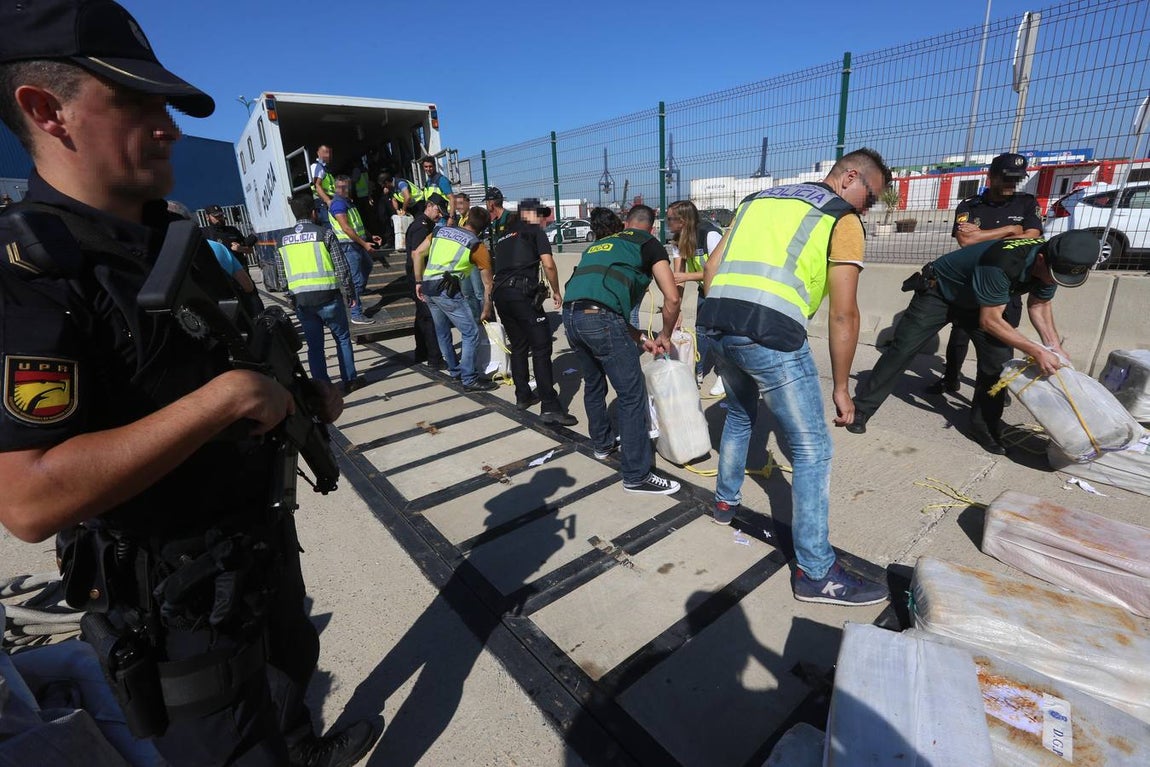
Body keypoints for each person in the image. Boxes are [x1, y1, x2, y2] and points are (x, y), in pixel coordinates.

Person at [0, 2, 377, 766]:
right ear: (47, 111)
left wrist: (302, 401)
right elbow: (29, 499)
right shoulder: (34, 276)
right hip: (178, 611)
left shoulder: (172, 240)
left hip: (256, 552)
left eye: (165, 103)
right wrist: (226, 400)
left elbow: (232, 355)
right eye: (136, 103)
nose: (167, 124)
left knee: (290, 684)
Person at [701, 148, 893, 606]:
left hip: (717, 322)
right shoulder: (840, 217)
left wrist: (727, 320)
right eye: (870, 198)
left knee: (741, 414)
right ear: (850, 178)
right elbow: (844, 314)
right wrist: (842, 388)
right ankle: (815, 571)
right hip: (769, 332)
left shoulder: (757, 201)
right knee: (813, 450)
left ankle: (725, 504)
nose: (867, 209)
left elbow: (712, 269)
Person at [846, 230, 1098, 454]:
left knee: (998, 365)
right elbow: (990, 321)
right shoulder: (1002, 262)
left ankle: (983, 427)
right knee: (902, 349)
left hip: (980, 302)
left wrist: (1054, 347)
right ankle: (861, 408)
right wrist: (1036, 351)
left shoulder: (1054, 267)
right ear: (1042, 259)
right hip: (940, 293)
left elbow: (1040, 304)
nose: (1054, 281)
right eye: (1054, 275)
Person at [563, 206, 682, 494]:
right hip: (600, 318)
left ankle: (602, 445)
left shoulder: (598, 246)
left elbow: (603, 306)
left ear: (626, 223)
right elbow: (672, 298)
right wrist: (665, 335)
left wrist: (643, 339)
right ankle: (636, 475)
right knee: (631, 395)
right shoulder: (647, 243)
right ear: (651, 228)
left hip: (571, 315)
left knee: (593, 383)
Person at [929, 152, 1042, 394]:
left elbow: (1033, 237)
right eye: (1006, 178)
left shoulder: (1026, 203)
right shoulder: (970, 205)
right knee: (959, 336)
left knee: (1003, 339)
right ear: (991, 176)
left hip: (1006, 282)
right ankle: (950, 378)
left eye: (1016, 179)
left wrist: (982, 235)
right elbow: (965, 241)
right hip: (970, 283)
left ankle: (999, 388)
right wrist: (1011, 229)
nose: (1012, 184)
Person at [491, 197, 576, 425]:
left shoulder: (503, 237)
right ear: (529, 214)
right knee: (540, 347)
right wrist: (557, 291)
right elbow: (548, 264)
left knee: (519, 345)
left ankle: (523, 395)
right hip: (521, 294)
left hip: (501, 294)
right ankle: (550, 406)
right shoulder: (534, 232)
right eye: (541, 214)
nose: (544, 218)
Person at [277, 194, 365, 395]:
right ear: (314, 212)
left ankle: (322, 387)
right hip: (329, 299)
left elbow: (282, 276)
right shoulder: (324, 233)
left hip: (303, 302)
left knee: (315, 347)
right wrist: (350, 293)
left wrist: (291, 298)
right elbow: (342, 268)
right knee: (342, 338)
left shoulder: (282, 240)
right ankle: (350, 380)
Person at [412, 206, 498, 392]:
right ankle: (469, 378)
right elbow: (488, 284)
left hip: (428, 286)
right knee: (471, 332)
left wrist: (418, 281)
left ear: (466, 219)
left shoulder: (440, 230)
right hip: (446, 290)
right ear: (483, 228)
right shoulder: (476, 245)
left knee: (442, 331)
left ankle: (454, 370)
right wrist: (487, 308)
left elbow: (417, 253)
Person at [668, 200, 724, 394]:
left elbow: (720, 270)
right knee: (700, 330)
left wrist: (687, 276)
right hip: (705, 289)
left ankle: (724, 374)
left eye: (670, 219)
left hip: (723, 289)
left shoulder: (710, 234)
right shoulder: (677, 240)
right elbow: (678, 278)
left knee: (719, 332)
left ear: (682, 220)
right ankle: (697, 374)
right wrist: (676, 309)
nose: (667, 223)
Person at [330, 175, 382, 325]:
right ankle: (355, 313)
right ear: (335, 188)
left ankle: (358, 293)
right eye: (339, 187)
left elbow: (355, 224)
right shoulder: (339, 204)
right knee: (355, 280)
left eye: (345, 187)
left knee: (367, 266)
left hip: (355, 243)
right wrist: (365, 244)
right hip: (348, 245)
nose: (343, 190)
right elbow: (346, 228)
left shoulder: (348, 203)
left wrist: (370, 236)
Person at [405, 193, 448, 368]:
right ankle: (435, 358)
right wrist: (419, 282)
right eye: (438, 211)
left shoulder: (425, 224)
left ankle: (421, 351)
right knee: (429, 317)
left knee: (422, 316)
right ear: (429, 206)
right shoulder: (422, 226)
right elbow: (417, 254)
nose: (440, 216)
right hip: (420, 277)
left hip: (418, 276)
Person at [310, 144, 336, 225]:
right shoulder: (317, 167)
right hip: (323, 203)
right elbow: (316, 186)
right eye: (325, 152)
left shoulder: (326, 169)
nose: (328, 155)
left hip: (328, 201)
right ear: (318, 153)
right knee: (328, 227)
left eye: (329, 153)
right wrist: (328, 200)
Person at [483, 186, 511, 252]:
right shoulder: (495, 221)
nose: (486, 205)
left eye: (486, 202)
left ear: (491, 203)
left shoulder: (509, 218)